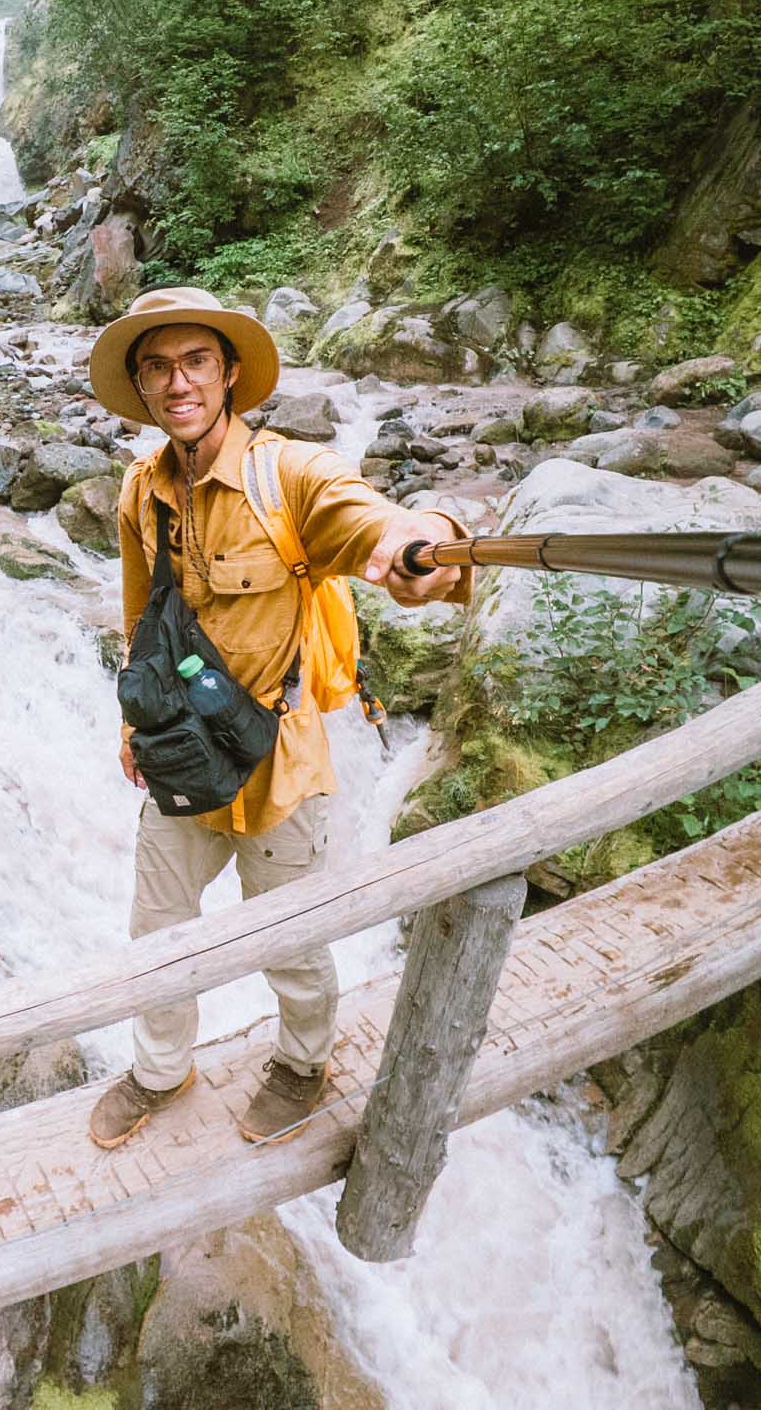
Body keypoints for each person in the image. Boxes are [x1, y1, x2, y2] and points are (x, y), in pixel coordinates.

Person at [83, 286, 469, 1149]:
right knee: (157, 931)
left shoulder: (285, 473)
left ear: (227, 375)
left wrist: (420, 541)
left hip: (277, 760)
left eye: (195, 362)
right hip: (180, 750)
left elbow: (361, 513)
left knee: (288, 938)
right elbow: (139, 609)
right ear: (142, 387)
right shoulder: (140, 490)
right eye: (158, 367)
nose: (178, 382)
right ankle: (158, 1069)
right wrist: (129, 725)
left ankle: (302, 1062)